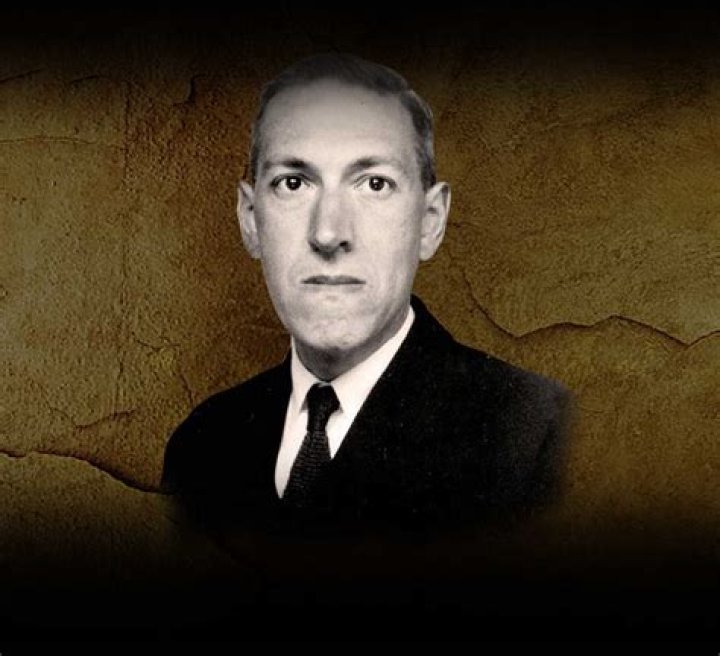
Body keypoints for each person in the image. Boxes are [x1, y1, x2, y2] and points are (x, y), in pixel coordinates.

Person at [161, 53, 572, 637]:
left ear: (429, 221)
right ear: (251, 219)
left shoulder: (540, 439)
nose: (329, 232)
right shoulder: (203, 446)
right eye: (294, 183)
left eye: (374, 183)